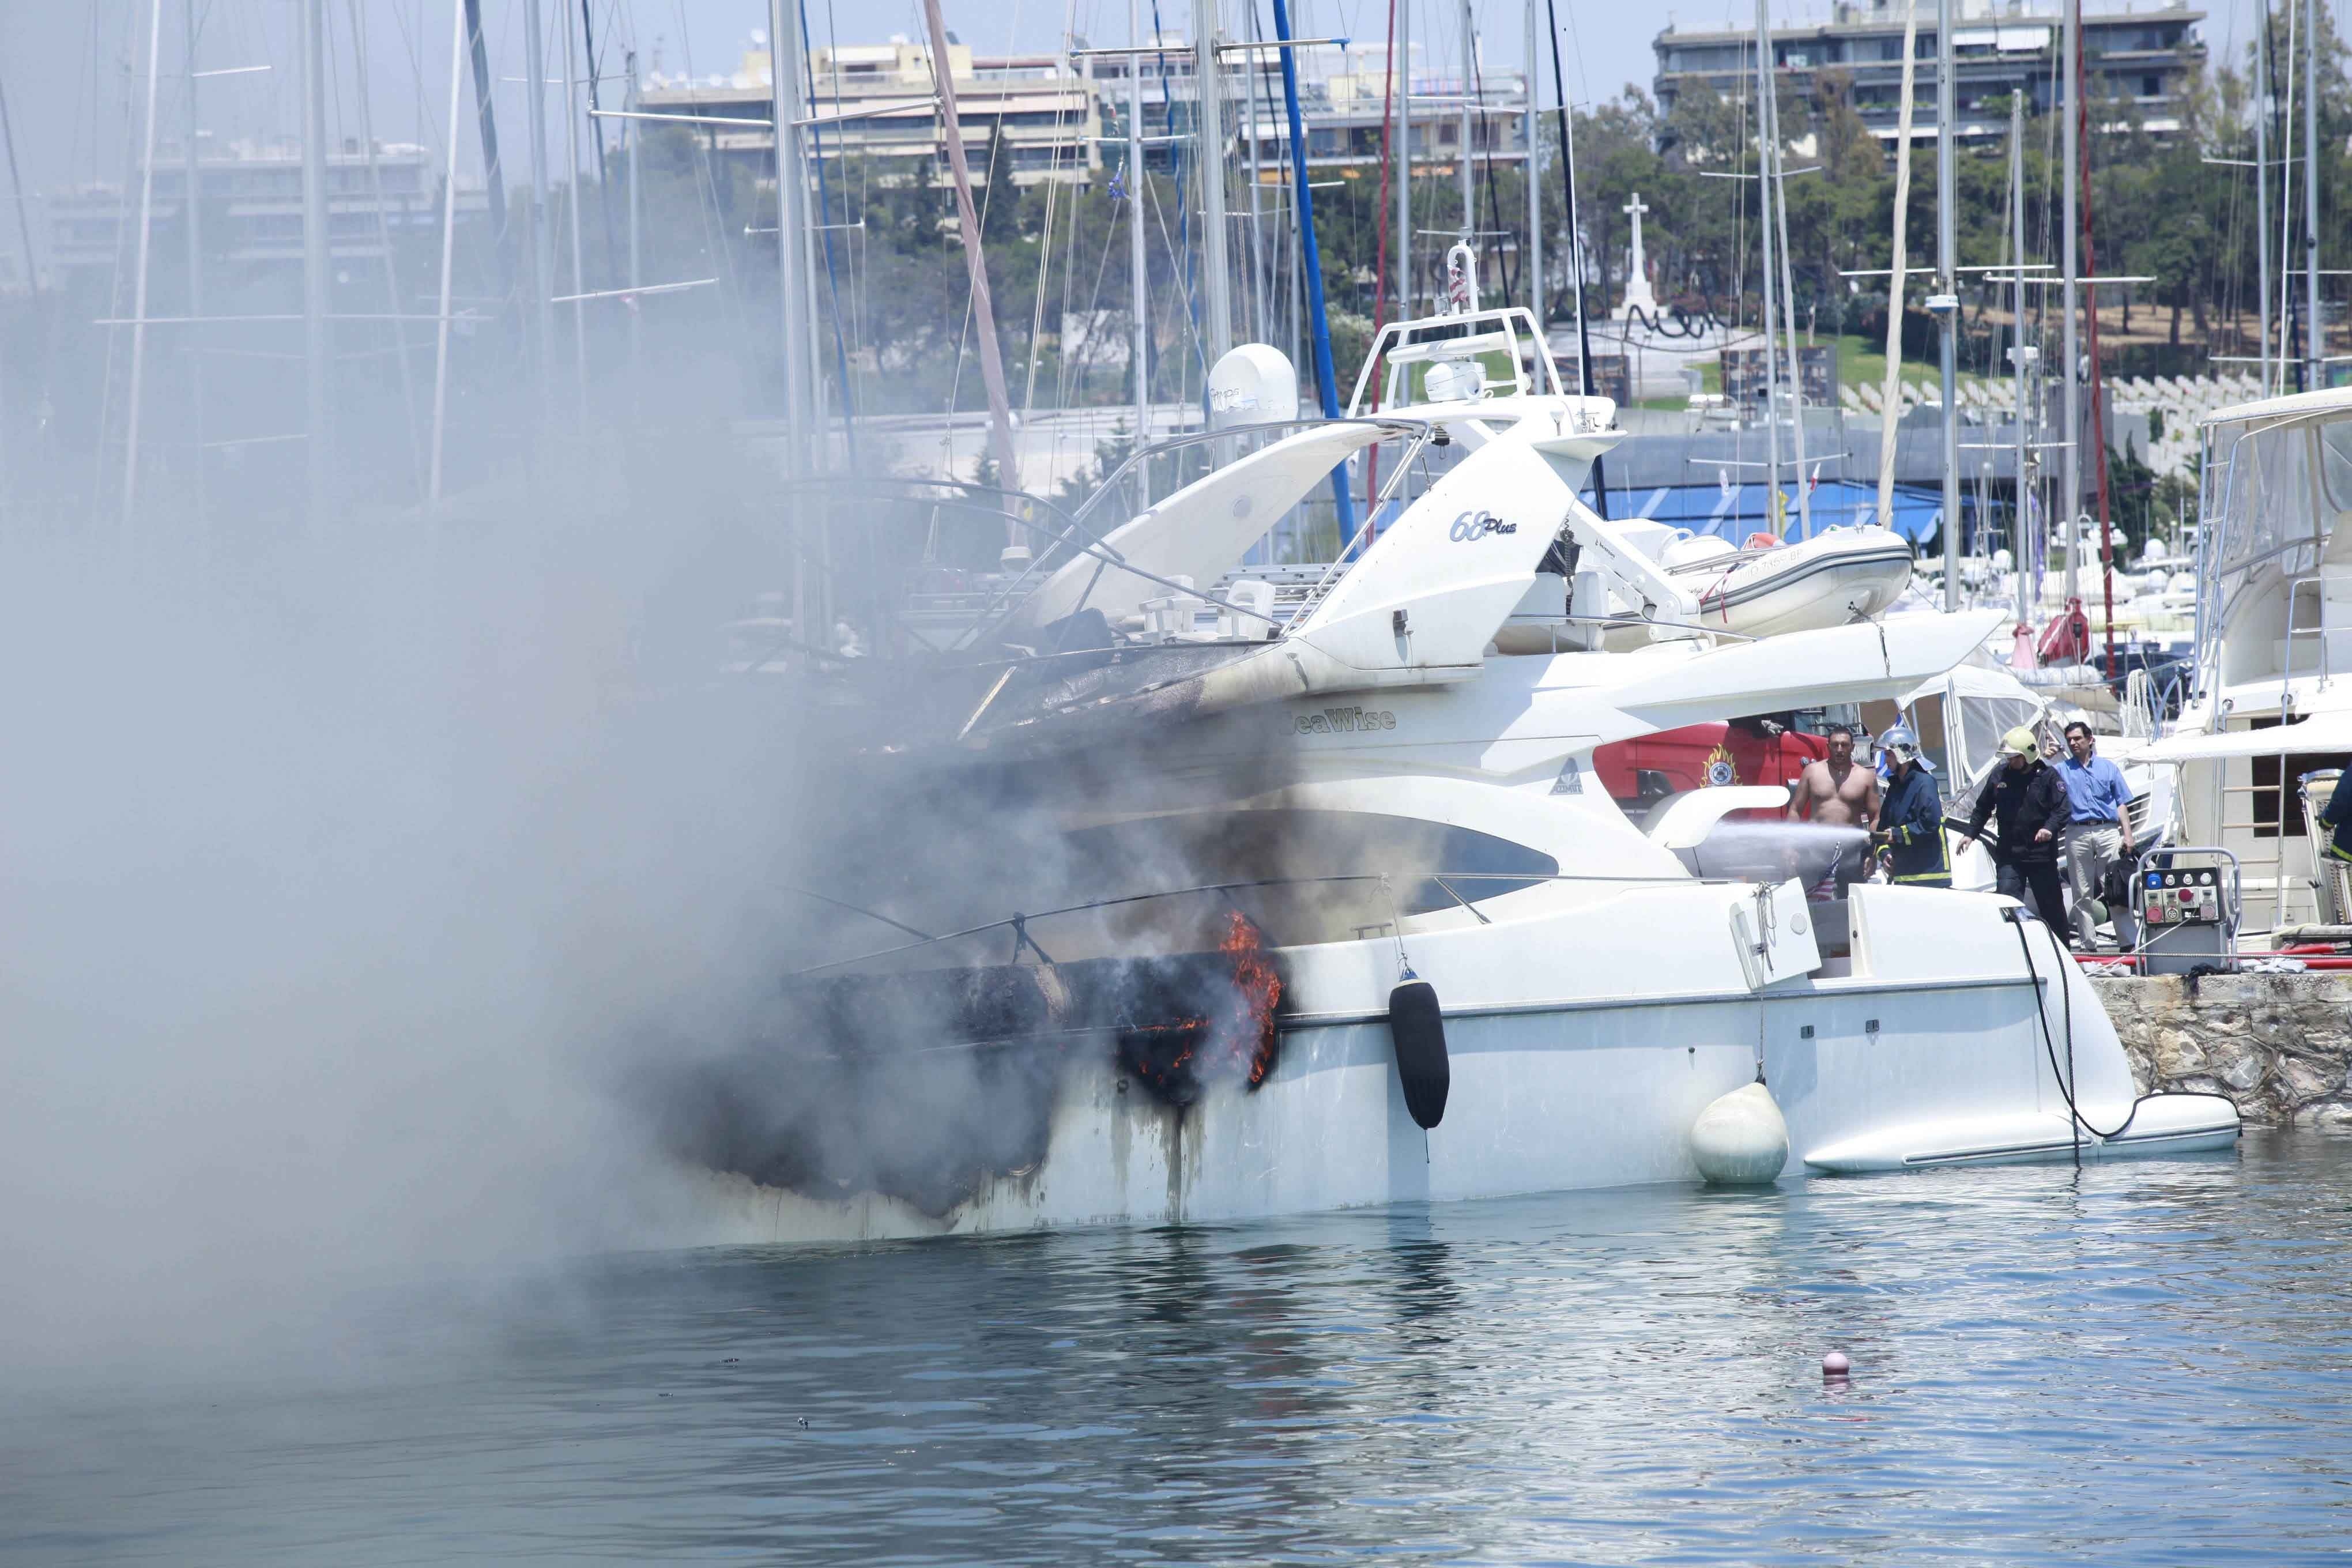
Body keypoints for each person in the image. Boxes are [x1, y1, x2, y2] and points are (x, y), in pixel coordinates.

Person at [1966, 724, 2072, 933]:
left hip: (2040, 856)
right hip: (2009, 855)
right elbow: (1983, 807)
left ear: (2028, 755)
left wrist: (2049, 828)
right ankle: (2012, 948)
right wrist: (1970, 834)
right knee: (2006, 905)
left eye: (2015, 757)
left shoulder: (2048, 777)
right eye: (2008, 757)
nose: (2010, 761)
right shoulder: (2000, 775)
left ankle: (2062, 952)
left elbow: (2063, 809)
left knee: (2051, 908)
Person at [2056, 721, 2134, 948]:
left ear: (2090, 740)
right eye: (2069, 740)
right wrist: (2044, 757)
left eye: (2078, 739)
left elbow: (2121, 803)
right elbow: (2041, 785)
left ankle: (2127, 942)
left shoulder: (2108, 768)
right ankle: (2088, 944)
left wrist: (2128, 835)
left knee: (2114, 887)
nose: (2073, 743)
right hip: (2076, 831)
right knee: (2081, 892)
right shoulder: (2061, 770)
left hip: (2107, 830)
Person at [1792, 723, 1879, 895]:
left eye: (1845, 745)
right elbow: (1795, 809)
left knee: (1851, 903)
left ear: (1853, 747)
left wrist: (1873, 853)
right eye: (1835, 745)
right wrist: (1791, 847)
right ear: (1828, 746)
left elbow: (1875, 817)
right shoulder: (1812, 772)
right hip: (1815, 850)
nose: (1840, 749)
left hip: (1852, 851)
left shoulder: (1866, 777)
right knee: (1813, 904)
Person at [1873, 726, 1950, 888]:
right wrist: (1885, 853)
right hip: (1903, 875)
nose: (1886, 760)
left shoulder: (1925, 783)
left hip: (1929, 876)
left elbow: (1931, 823)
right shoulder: (1894, 788)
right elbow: (1884, 828)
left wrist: (1897, 834)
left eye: (1889, 754)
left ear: (1902, 754)